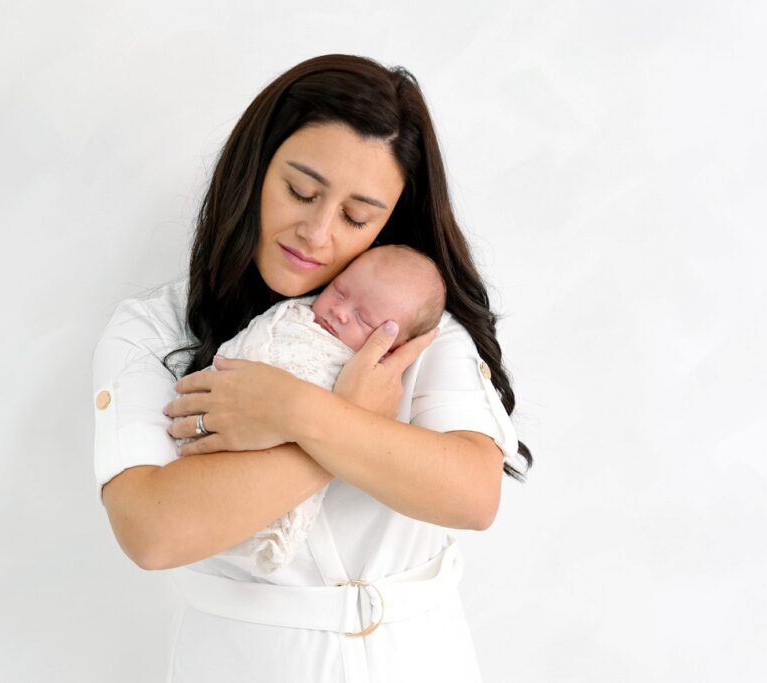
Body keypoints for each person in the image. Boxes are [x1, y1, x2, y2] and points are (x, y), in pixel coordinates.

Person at [92, 53, 534, 683]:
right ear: (253, 171)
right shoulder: (154, 328)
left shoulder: (406, 322)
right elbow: (153, 531)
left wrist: (297, 412)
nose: (317, 232)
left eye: (358, 216)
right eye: (301, 191)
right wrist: (350, 425)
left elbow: (472, 493)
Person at [172, 244, 447, 578]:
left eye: (365, 319)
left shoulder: (370, 373)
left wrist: (338, 417)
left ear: (394, 346)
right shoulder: (292, 314)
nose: (341, 312)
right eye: (340, 291)